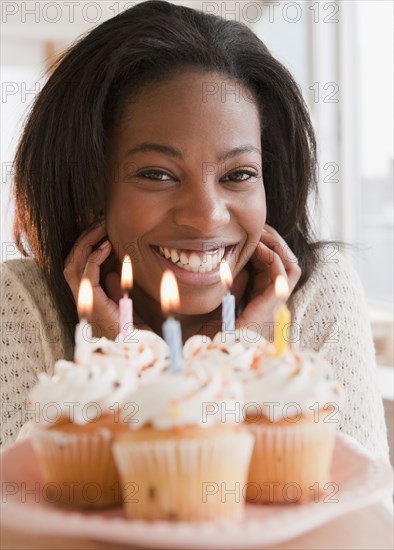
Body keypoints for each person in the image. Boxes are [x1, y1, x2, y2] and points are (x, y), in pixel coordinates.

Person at [1, 0, 389, 466]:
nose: (206, 218)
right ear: (89, 189)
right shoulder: (20, 301)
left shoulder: (318, 291)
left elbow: (356, 524)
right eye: (158, 175)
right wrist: (119, 363)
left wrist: (244, 358)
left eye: (239, 174)